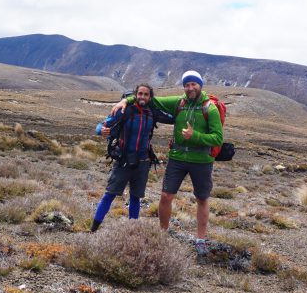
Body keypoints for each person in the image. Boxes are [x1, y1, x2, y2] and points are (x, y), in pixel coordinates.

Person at [110, 70, 222, 254]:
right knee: (165, 196)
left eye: (193, 84)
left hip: (201, 160)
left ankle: (200, 239)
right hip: (177, 158)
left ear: (200, 85)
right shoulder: (179, 102)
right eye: (186, 84)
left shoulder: (210, 108)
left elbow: (217, 138)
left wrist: (196, 136)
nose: (190, 87)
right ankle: (163, 233)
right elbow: (150, 99)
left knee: (202, 199)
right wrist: (125, 100)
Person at [90, 83, 163, 232]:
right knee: (109, 195)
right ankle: (93, 229)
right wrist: (101, 130)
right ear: (135, 95)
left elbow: (173, 117)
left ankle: (132, 231)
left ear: (150, 97)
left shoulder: (152, 113)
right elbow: (101, 125)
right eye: (140, 94)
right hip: (123, 161)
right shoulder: (124, 110)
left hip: (142, 162)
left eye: (146, 94)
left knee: (135, 198)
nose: (142, 97)